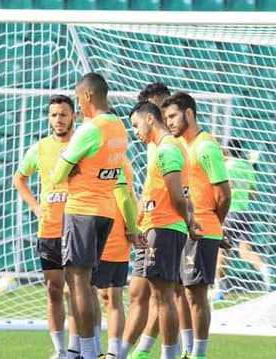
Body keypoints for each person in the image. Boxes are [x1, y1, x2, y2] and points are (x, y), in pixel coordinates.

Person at [51, 72, 129, 359]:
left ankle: (88, 352)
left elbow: (58, 173)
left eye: (77, 98)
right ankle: (90, 349)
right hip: (106, 210)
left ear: (86, 96)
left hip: (83, 209)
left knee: (78, 284)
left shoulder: (89, 129)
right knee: (90, 284)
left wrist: (68, 168)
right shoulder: (119, 127)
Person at [123, 82, 195, 359]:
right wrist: (138, 221)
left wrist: (189, 220)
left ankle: (176, 352)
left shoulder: (168, 148)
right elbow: (155, 190)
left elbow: (178, 195)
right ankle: (129, 351)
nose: (135, 132)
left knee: (167, 295)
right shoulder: (161, 147)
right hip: (156, 225)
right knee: (151, 292)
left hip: (166, 226)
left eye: (135, 125)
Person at [163, 92, 231, 359]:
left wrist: (215, 224)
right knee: (181, 292)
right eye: (166, 117)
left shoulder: (206, 146)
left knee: (196, 294)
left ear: (189, 114)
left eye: (172, 116)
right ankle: (187, 350)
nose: (169, 122)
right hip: (184, 227)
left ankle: (199, 354)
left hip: (203, 228)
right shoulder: (183, 146)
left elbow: (224, 193)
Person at [13, 95, 76, 359]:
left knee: (77, 290)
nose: (58, 120)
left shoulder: (81, 144)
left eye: (63, 114)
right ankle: (60, 349)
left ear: (73, 116)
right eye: (53, 115)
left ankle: (78, 347)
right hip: (49, 228)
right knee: (53, 290)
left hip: (77, 226)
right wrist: (37, 208)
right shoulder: (39, 148)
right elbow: (19, 178)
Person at [93, 157, 138, 359]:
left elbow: (126, 197)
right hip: (106, 234)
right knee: (105, 295)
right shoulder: (117, 159)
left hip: (112, 236)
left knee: (107, 295)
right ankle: (101, 351)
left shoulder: (117, 160)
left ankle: (108, 352)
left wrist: (133, 227)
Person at [213, 138, 269, 299]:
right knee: (244, 250)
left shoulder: (227, 167)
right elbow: (253, 193)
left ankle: (219, 290)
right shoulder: (248, 167)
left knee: (222, 252)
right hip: (245, 214)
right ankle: (265, 270)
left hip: (230, 213)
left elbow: (225, 188)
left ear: (228, 151)